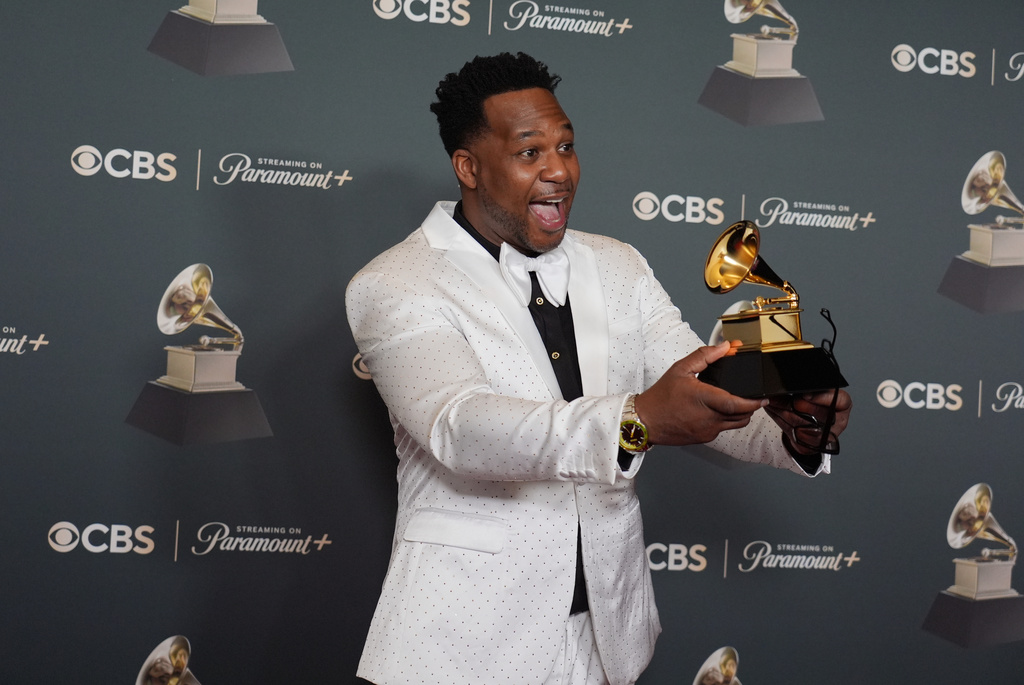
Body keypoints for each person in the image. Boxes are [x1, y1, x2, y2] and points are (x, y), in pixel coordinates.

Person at [346, 52, 852, 685]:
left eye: (567, 146)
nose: (559, 169)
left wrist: (795, 428)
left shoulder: (618, 264)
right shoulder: (395, 281)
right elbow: (460, 427)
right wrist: (637, 418)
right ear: (468, 167)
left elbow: (693, 395)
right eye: (530, 153)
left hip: (606, 640)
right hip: (461, 644)